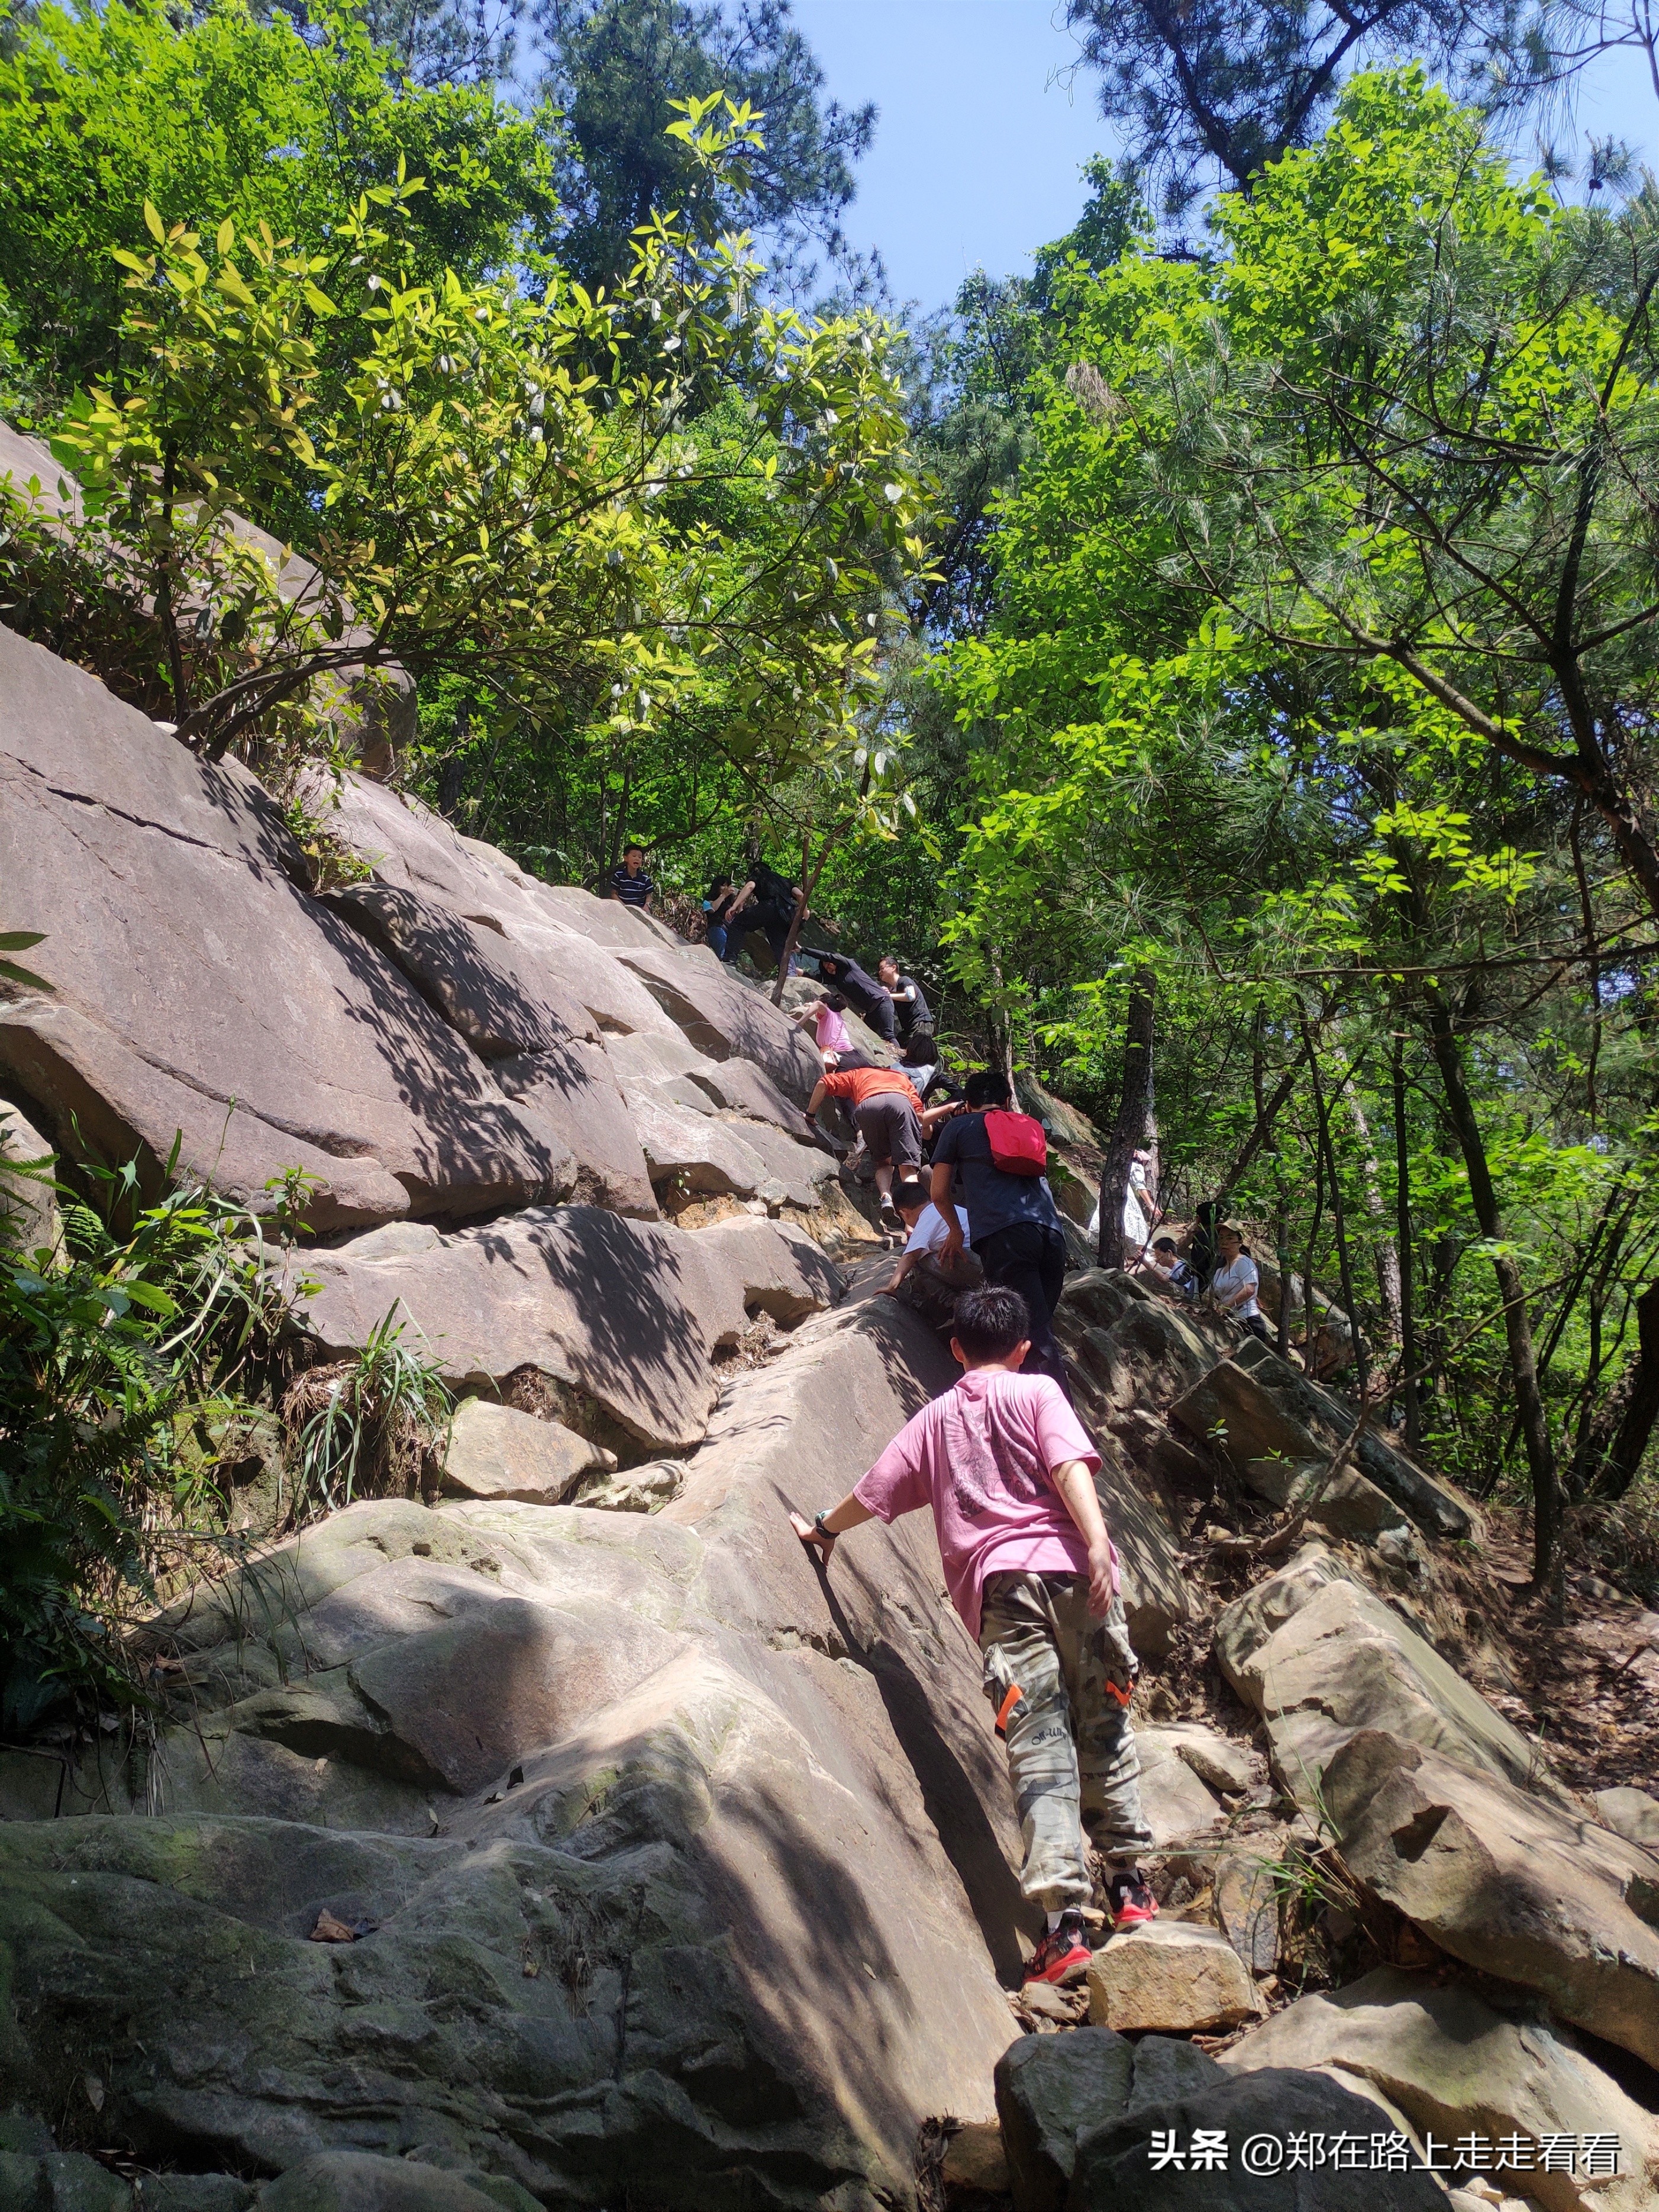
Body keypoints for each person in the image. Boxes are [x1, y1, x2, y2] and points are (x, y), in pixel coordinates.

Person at [790, 1284, 1158, 1985]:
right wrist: (1098, 1542)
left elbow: (875, 1489)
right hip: (1078, 1576)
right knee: (1104, 1722)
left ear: (956, 1349)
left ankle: (1063, 1930)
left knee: (1040, 1743)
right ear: (1021, 1349)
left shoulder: (933, 1420)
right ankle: (1130, 1887)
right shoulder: (1038, 1393)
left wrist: (822, 1530)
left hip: (1004, 1591)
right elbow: (1067, 1467)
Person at [929, 1070, 1074, 1399]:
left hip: (1006, 1236)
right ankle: (1027, 1409)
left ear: (967, 1104)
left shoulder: (958, 1127)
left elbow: (938, 1192)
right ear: (1007, 1102)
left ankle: (1058, 1427)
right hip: (1051, 1235)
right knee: (1033, 1330)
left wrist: (954, 1230)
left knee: (1030, 1337)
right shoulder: (1027, 1126)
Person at [806, 1062, 960, 1228]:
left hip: (868, 1106)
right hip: (900, 1104)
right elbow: (920, 1118)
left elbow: (823, 1083)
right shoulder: (901, 1077)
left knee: (884, 1163)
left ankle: (886, 1196)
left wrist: (810, 1116)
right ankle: (913, 1224)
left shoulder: (857, 1074)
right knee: (907, 1168)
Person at [880, 1169, 985, 1330]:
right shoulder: (949, 1209)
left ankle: (956, 1305)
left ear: (904, 1213)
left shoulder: (925, 1221)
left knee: (917, 1260)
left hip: (978, 1268)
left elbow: (909, 1257)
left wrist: (891, 1287)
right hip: (988, 1260)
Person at [801, 949, 897, 1044]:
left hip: (882, 1001)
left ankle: (902, 1059)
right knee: (866, 1038)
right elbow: (817, 978)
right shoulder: (837, 979)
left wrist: (802, 950)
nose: (827, 966)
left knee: (888, 1035)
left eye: (829, 963)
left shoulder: (850, 966)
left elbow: (827, 956)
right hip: (871, 1010)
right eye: (825, 965)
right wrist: (800, 972)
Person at [1209, 1223, 1271, 1340]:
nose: (1224, 1242)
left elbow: (1249, 1290)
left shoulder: (1244, 1262)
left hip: (1248, 1321)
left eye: (1230, 1238)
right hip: (1229, 1320)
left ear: (1240, 1241)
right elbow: (1209, 1292)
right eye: (1221, 1238)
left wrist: (1225, 1308)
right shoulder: (1220, 1270)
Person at [876, 955, 934, 1052]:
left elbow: (911, 996)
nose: (880, 972)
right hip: (908, 1029)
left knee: (918, 1053)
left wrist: (889, 996)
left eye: (882, 969)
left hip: (921, 1023)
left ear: (893, 968)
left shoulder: (904, 980)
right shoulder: (894, 991)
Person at [796, 991, 854, 1065]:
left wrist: (799, 1023)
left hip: (840, 1057)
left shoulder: (829, 1014)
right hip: (851, 1054)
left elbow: (818, 1004)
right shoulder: (837, 1016)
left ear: (826, 1005)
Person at [1141, 1236, 1199, 1302]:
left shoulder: (1180, 1266)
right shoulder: (1179, 1265)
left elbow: (1164, 1278)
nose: (1157, 1259)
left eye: (1159, 1255)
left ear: (1169, 1253)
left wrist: (1145, 1262)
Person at [608, 844, 654, 910]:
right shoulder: (619, 875)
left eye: (640, 857)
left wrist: (646, 907)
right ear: (626, 858)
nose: (637, 859)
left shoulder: (645, 878)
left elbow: (649, 896)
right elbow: (613, 894)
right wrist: (624, 907)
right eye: (634, 856)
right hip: (623, 909)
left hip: (640, 910)